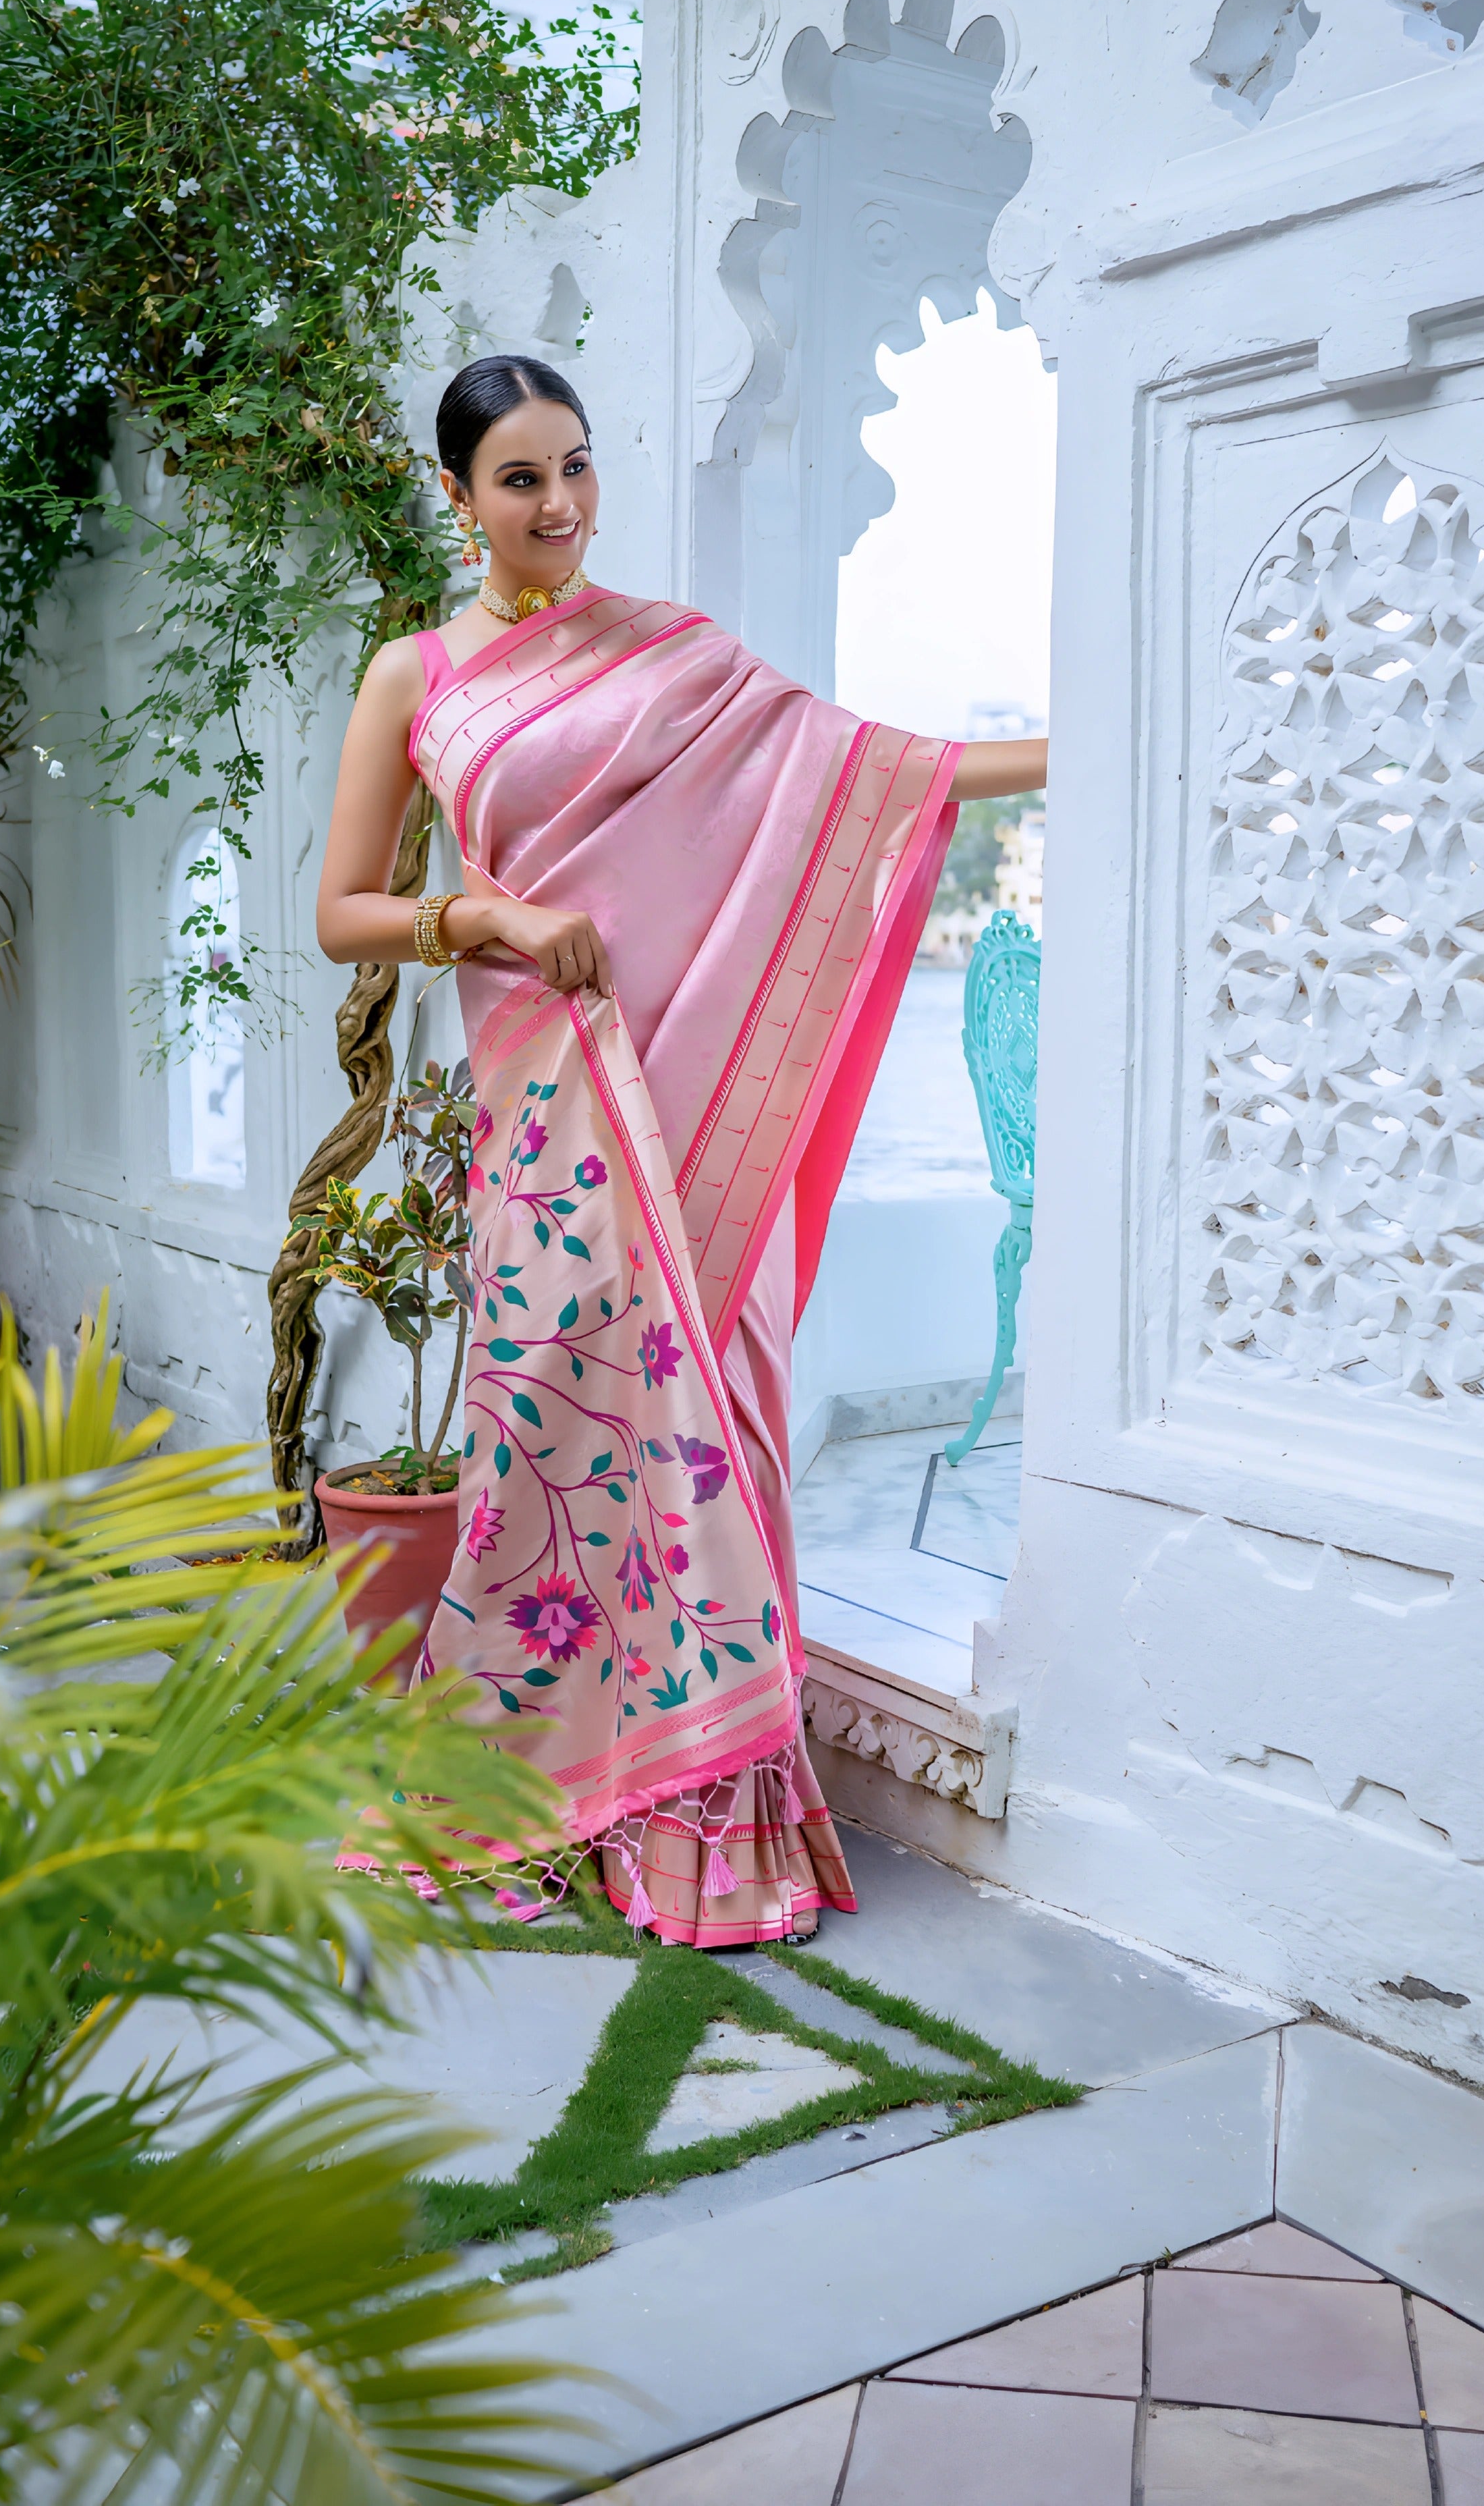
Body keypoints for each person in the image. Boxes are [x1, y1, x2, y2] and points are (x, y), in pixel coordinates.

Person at [317, 354, 1047, 1946]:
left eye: (577, 467)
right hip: (546, 1095)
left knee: (713, 1416)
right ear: (455, 495)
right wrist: (493, 910)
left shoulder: (675, 657)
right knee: (547, 1432)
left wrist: (1070, 755)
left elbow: (851, 773)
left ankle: (709, 1810)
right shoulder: (415, 675)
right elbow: (343, 912)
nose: (561, 506)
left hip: (696, 1092)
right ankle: (533, 1778)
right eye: (520, 480)